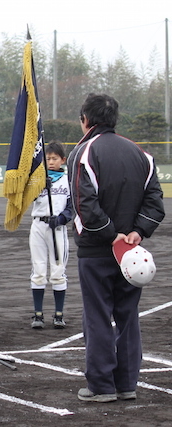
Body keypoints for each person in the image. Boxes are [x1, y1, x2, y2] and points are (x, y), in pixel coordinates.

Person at [68, 93, 165, 402]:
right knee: (127, 314)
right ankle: (126, 383)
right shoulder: (141, 154)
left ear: (85, 119)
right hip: (132, 254)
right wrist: (136, 232)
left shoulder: (84, 152)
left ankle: (100, 385)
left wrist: (111, 236)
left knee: (96, 316)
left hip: (98, 251)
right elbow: (155, 202)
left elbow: (84, 204)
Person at [29, 141, 72, 329]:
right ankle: (38, 315)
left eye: (55, 158)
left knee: (58, 270)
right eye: (47, 159)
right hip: (38, 225)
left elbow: (72, 206)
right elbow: (26, 198)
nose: (51, 162)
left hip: (57, 228)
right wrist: (38, 187)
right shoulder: (38, 178)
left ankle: (58, 314)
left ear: (63, 160)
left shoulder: (68, 180)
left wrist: (62, 218)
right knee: (38, 271)